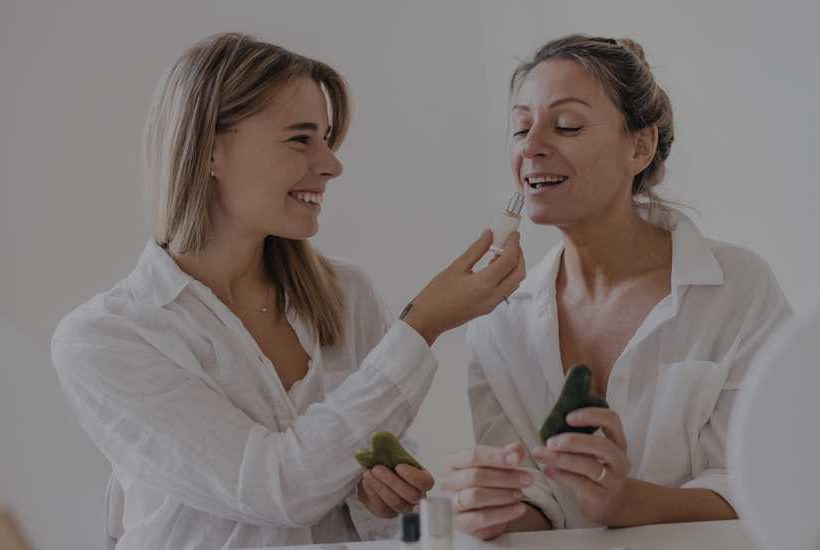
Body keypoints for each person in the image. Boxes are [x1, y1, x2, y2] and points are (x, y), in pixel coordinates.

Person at [51, 33, 525, 549]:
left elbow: (378, 499)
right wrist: (423, 324)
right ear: (211, 148)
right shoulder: (106, 338)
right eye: (301, 139)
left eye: (326, 138)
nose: (331, 164)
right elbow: (275, 488)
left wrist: (378, 495)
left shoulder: (348, 295)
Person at [437, 35, 793, 539]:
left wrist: (626, 501)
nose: (532, 146)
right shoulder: (498, 317)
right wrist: (486, 506)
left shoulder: (737, 288)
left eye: (566, 125)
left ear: (639, 147)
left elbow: (753, 487)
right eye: (520, 127)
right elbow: (538, 504)